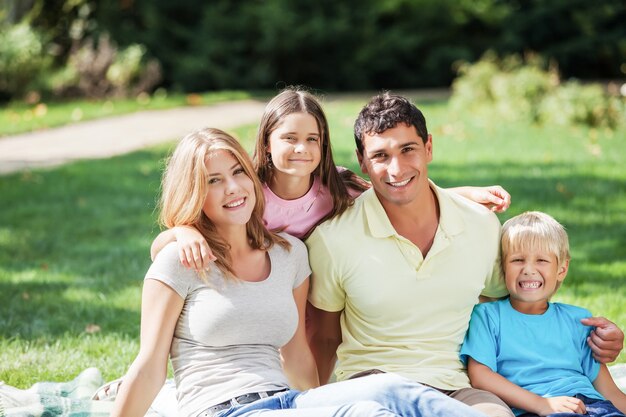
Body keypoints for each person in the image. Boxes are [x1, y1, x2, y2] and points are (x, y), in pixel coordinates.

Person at [110, 127, 494, 417]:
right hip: (223, 409)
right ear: (194, 192)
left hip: (287, 402)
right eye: (213, 181)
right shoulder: (180, 259)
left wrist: (323, 403)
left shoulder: (289, 255)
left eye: (238, 173)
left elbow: (296, 356)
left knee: (388, 393)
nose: (233, 188)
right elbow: (149, 366)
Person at [305, 92, 625, 417]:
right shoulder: (334, 240)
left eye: (408, 150)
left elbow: (516, 308)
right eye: (380, 156)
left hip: (455, 386)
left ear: (428, 147)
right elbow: (324, 337)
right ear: (362, 160)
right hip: (373, 386)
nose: (396, 168)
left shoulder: (479, 224)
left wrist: (591, 338)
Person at [150, 87, 511, 269]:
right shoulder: (246, 190)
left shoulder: (336, 188)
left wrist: (463, 195)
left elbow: (396, 190)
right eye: (289, 139)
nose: (301, 149)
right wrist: (184, 231)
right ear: (265, 141)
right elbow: (160, 248)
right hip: (257, 295)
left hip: (314, 298)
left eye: (312, 139)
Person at [460, 211, 626, 417]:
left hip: (594, 406)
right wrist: (542, 404)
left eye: (541, 260)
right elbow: (480, 376)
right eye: (518, 260)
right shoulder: (488, 316)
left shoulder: (578, 320)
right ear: (503, 267)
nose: (529, 269)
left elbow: (609, 392)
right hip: (534, 408)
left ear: (562, 269)